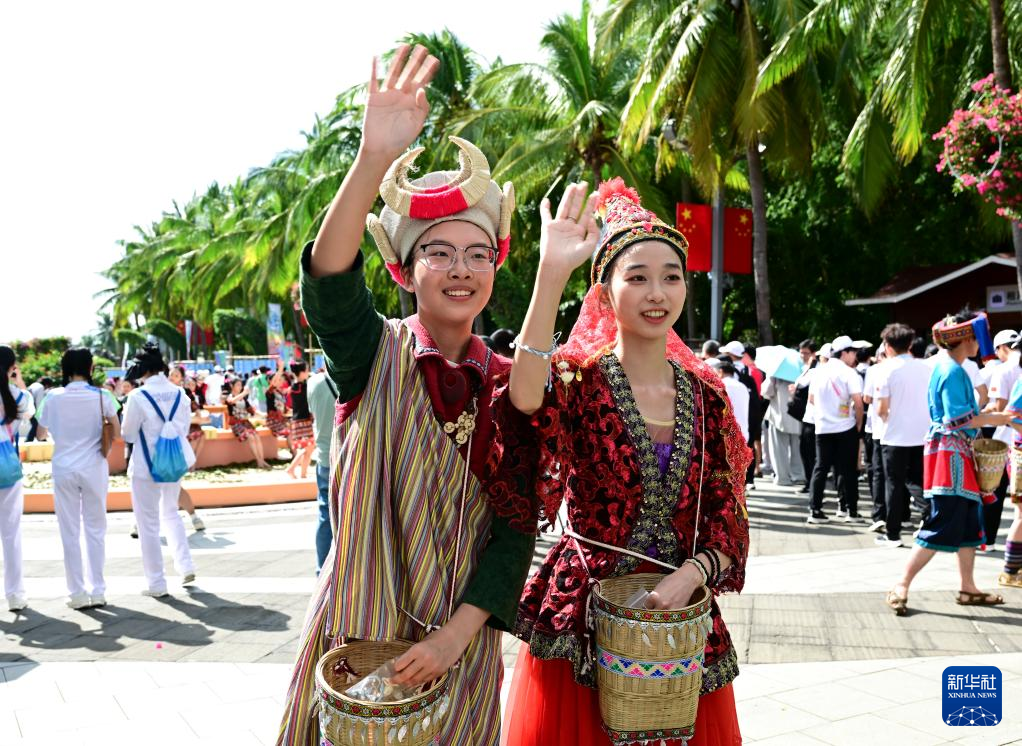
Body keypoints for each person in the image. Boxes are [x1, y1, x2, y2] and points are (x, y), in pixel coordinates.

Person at [278, 45, 536, 746]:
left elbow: (518, 528)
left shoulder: (514, 383)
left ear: (496, 266)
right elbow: (328, 286)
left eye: (477, 253)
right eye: (439, 252)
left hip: (461, 647)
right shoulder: (373, 353)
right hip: (361, 636)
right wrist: (372, 159)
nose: (460, 269)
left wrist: (457, 636)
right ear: (403, 267)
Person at [497, 179, 749, 746]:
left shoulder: (707, 396)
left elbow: (727, 521)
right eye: (637, 276)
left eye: (671, 275)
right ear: (605, 293)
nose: (656, 291)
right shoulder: (578, 381)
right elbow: (524, 398)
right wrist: (550, 274)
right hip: (586, 615)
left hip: (681, 621)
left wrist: (692, 575)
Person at [886, 312, 1013, 615]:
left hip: (954, 452)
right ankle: (901, 584)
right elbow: (960, 419)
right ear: (965, 339)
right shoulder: (952, 371)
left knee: (969, 523)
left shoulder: (949, 367)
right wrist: (1004, 418)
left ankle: (968, 588)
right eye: (974, 339)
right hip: (951, 455)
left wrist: (1002, 417)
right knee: (941, 521)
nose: (977, 345)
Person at [36, 348, 120, 609]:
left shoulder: (51, 396)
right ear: (90, 368)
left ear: (65, 369)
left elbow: (40, 434)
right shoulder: (103, 396)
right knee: (96, 529)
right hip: (94, 465)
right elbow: (116, 431)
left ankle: (77, 593)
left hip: (64, 468)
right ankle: (99, 590)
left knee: (69, 531)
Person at [120, 344, 197, 597]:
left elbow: (129, 434)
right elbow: (183, 429)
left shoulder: (138, 397)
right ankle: (185, 566)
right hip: (173, 464)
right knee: (171, 514)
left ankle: (156, 583)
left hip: (145, 466)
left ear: (142, 369)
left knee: (148, 524)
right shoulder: (180, 393)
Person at [875, 325, 931, 548]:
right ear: (909, 344)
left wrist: (887, 417)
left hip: (895, 436)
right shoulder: (925, 367)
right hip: (921, 434)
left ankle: (893, 533)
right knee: (918, 481)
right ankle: (929, 516)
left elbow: (881, 408)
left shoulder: (886, 370)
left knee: (894, 484)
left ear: (887, 346)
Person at [807, 336, 864, 524]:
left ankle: (815, 510)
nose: (855, 355)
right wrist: (858, 424)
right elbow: (858, 403)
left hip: (822, 426)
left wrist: (826, 411)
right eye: (853, 352)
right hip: (845, 426)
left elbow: (811, 399)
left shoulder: (818, 372)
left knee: (820, 468)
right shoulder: (849, 373)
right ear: (845, 353)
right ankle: (851, 511)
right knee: (847, 469)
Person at [0, 346, 33, 611]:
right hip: (8, 469)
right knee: (11, 534)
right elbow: (31, 413)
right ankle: (15, 595)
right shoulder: (19, 397)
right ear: (12, 367)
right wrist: (16, 378)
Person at [982, 329, 1020, 548]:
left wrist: (980, 414)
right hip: (1016, 437)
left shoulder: (1003, 370)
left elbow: (1001, 408)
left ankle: (989, 539)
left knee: (994, 489)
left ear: (1001, 348)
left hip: (1008, 438)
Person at [167, 366, 206, 532]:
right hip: (169, 442)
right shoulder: (170, 393)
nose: (172, 377)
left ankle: (193, 516)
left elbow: (196, 415)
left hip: (172, 443)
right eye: (171, 375)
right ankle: (194, 517)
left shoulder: (183, 394)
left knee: (173, 485)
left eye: (176, 375)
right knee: (170, 485)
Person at [306, 367, 337, 573]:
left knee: (325, 514)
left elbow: (312, 412)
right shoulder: (349, 378)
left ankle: (322, 570)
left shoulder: (314, 383)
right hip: (345, 453)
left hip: (323, 456)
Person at [762, 370, 805, 487]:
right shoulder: (802, 372)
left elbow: (766, 392)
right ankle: (799, 475)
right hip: (798, 415)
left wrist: (769, 377)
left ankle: (783, 477)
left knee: (779, 449)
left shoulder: (775, 373)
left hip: (779, 416)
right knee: (798, 448)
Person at [862, 343, 889, 532]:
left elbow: (867, 398)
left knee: (878, 471)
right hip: (905, 432)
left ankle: (880, 514)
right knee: (901, 476)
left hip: (878, 428)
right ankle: (902, 515)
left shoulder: (875, 371)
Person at [225, 378, 270, 469]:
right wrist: (244, 393)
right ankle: (259, 461)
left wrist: (263, 414)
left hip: (245, 422)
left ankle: (262, 460)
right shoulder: (230, 396)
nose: (240, 387)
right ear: (231, 386)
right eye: (238, 385)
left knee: (256, 436)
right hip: (236, 423)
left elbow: (252, 410)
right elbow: (231, 401)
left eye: (240, 385)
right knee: (251, 436)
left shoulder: (244, 399)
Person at [285, 361, 314, 479]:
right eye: (306, 370)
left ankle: (303, 474)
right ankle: (291, 469)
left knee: (309, 447)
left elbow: (289, 405)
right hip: (304, 420)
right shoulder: (304, 386)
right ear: (301, 373)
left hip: (297, 420)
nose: (308, 373)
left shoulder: (292, 387)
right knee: (307, 447)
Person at [714, 356, 750, 442]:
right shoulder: (742, 386)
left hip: (727, 435)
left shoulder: (721, 386)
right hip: (743, 434)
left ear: (720, 372)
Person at [25, 376, 54, 441]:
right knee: (36, 425)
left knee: (35, 425)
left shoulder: (34, 385)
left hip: (28, 408)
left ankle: (41, 439)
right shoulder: (40, 387)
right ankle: (30, 440)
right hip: (34, 410)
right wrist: (40, 414)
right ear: (46, 385)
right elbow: (39, 402)